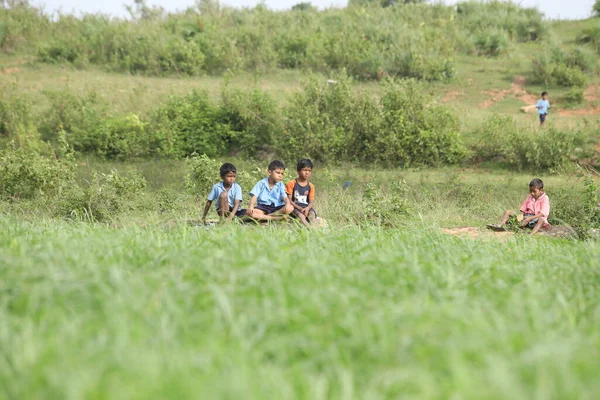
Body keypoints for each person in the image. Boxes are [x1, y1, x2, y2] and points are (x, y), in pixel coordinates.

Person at [285, 158, 317, 227]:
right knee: (301, 217)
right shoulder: (291, 183)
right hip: (295, 208)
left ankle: (314, 228)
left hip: (306, 207)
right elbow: (289, 200)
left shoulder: (311, 186)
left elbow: (311, 202)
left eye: (309, 171)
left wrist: (307, 208)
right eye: (305, 170)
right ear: (298, 171)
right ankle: (310, 230)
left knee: (312, 216)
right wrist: (300, 209)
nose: (307, 172)